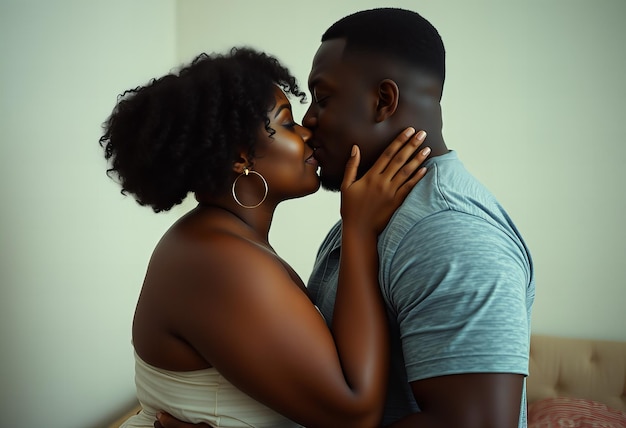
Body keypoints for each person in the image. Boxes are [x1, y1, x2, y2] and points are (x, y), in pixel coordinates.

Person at [155, 7, 535, 428]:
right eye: (290, 119)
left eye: (323, 98)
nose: (309, 122)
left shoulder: (449, 232)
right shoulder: (362, 218)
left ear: (383, 101)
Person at [101, 47, 431, 427]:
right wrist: (359, 231)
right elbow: (355, 414)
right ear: (241, 158)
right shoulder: (218, 261)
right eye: (287, 123)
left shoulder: (218, 240)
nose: (308, 132)